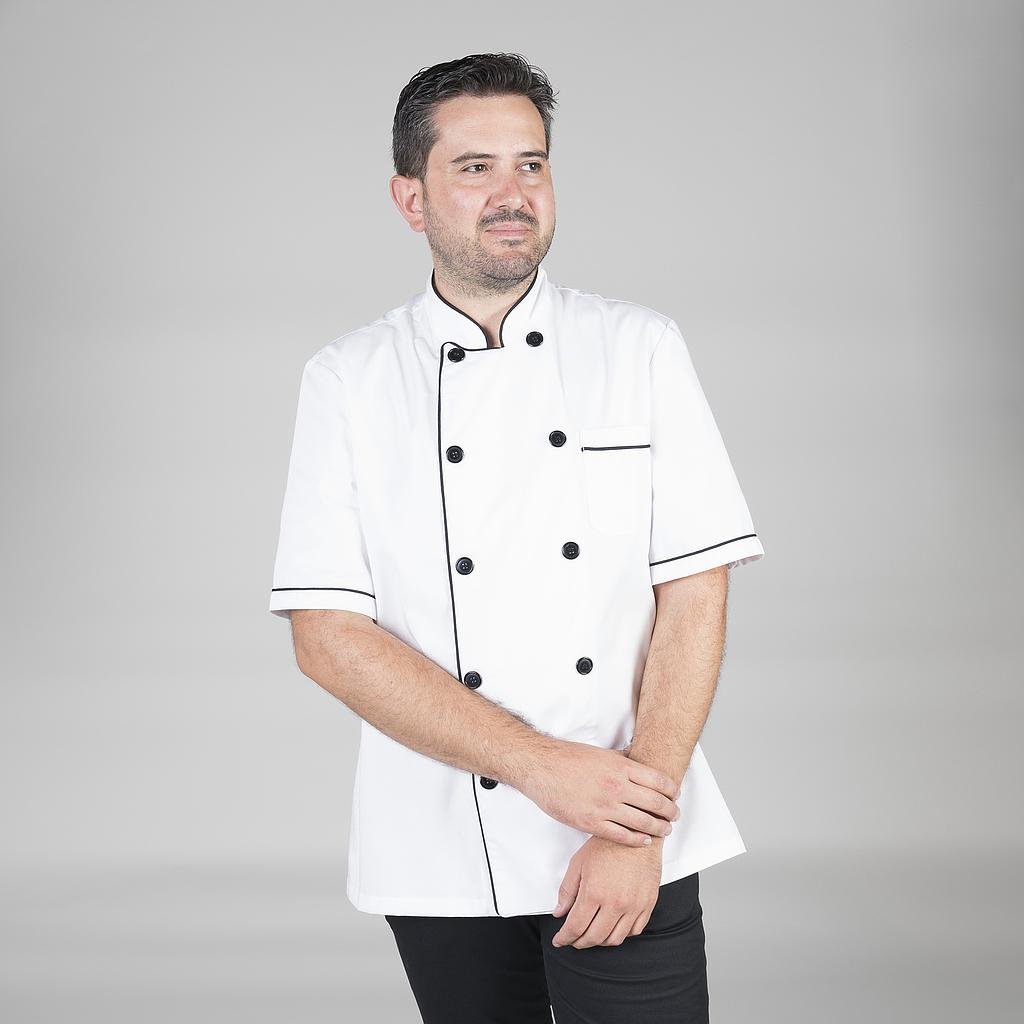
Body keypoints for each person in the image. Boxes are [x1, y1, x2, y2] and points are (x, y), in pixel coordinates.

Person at [268, 51, 764, 1024]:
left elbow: (695, 593)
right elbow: (326, 636)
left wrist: (630, 824)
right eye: (475, 167)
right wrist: (543, 769)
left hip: (628, 822)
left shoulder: (638, 348)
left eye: (531, 164)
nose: (513, 193)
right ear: (411, 199)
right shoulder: (348, 380)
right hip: (440, 843)